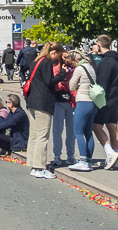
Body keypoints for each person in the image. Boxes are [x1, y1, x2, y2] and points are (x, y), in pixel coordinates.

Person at [24, 42, 69, 179]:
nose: (58, 60)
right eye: (58, 56)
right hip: (43, 102)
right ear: (53, 52)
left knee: (34, 135)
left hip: (32, 100)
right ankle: (39, 167)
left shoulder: (36, 61)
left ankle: (32, 164)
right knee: (42, 136)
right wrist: (62, 73)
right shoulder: (46, 63)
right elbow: (50, 81)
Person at [91, 35, 118, 170]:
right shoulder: (117, 60)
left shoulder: (105, 62)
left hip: (105, 99)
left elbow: (102, 83)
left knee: (96, 126)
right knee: (112, 126)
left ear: (99, 44)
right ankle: (115, 155)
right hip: (116, 98)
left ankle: (109, 152)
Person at [66, 50, 100, 171]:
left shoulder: (79, 69)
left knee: (78, 132)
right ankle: (89, 161)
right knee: (88, 133)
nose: (71, 66)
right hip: (92, 103)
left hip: (83, 101)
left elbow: (71, 86)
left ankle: (83, 161)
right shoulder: (90, 67)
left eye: (71, 63)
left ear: (75, 60)